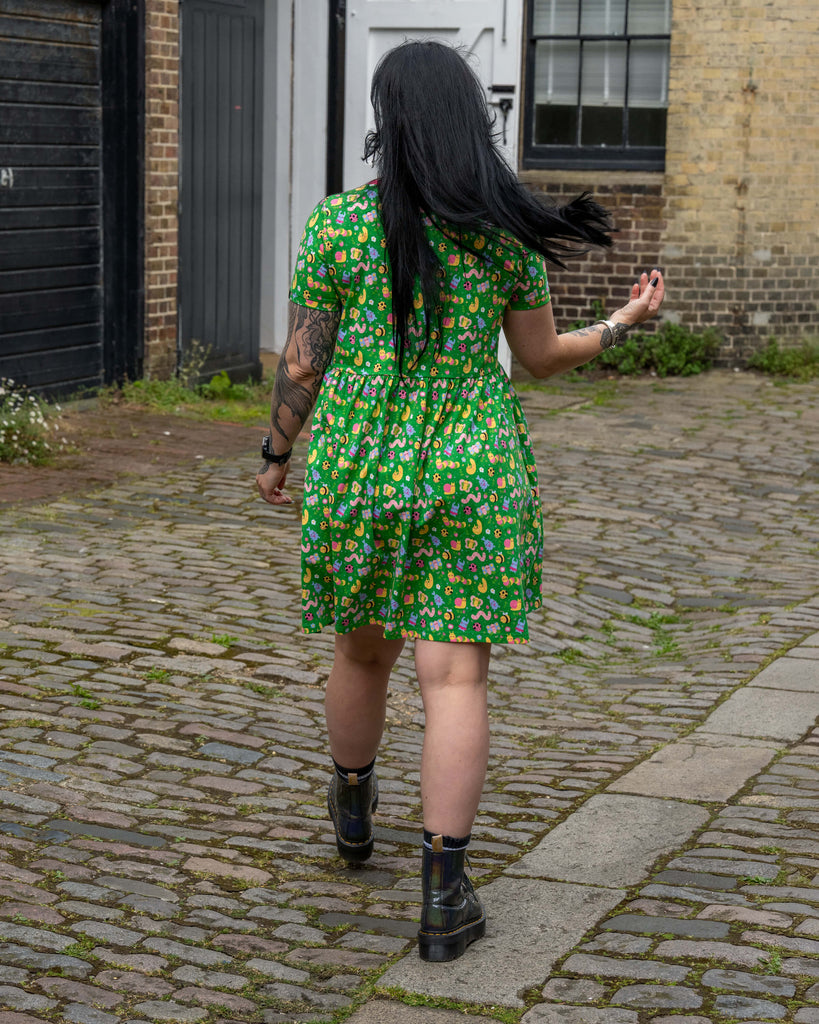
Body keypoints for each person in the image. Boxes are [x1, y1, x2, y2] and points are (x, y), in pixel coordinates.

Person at [256, 40, 665, 963]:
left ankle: (352, 808)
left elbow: (303, 360)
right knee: (455, 680)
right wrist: (620, 323)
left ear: (387, 121)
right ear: (468, 120)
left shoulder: (337, 227)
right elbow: (541, 359)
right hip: (471, 471)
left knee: (361, 651)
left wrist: (278, 452)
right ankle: (444, 897)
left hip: (360, 469)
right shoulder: (501, 233)